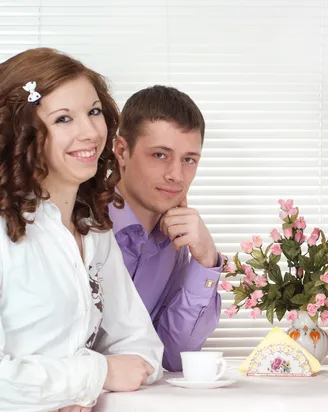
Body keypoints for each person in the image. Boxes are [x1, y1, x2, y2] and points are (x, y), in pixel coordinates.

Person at [0, 48, 163, 412]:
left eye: (93, 112)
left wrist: (80, 389)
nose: (90, 132)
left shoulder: (93, 230)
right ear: (21, 132)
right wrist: (92, 377)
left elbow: (142, 347)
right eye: (62, 119)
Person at [109, 85, 221, 372]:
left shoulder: (174, 244)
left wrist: (206, 260)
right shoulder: (81, 225)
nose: (175, 175)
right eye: (160, 155)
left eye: (188, 160)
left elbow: (173, 357)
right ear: (122, 150)